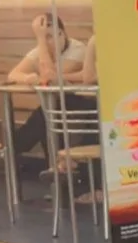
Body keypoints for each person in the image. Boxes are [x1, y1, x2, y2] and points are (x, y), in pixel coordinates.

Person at [6, 15, 90, 168]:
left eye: (49, 36)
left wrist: (40, 40)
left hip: (82, 105)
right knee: (46, 116)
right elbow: (13, 74)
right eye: (42, 37)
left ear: (62, 33)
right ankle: (52, 166)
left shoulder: (77, 48)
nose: (46, 42)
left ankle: (8, 152)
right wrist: (27, 78)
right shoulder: (40, 51)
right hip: (59, 106)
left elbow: (50, 77)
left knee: (44, 115)